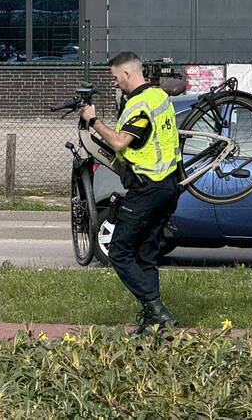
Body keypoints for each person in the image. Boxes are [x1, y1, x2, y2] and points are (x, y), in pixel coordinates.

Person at [79, 51, 181, 334]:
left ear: (127, 74)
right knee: (146, 253)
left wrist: (93, 121)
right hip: (168, 185)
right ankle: (154, 324)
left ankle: (156, 310)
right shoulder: (160, 97)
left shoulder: (139, 104)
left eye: (115, 78)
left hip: (148, 186)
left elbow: (122, 142)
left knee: (119, 250)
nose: (114, 83)